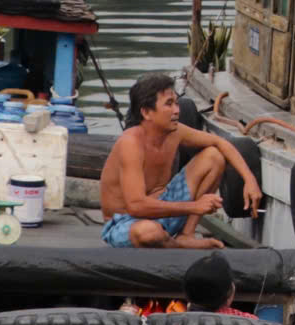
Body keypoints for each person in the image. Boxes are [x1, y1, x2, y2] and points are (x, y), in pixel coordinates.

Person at [101, 73, 262, 249]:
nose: (177, 110)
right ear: (146, 112)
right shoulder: (130, 143)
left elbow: (220, 143)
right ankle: (179, 247)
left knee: (214, 156)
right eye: (169, 104)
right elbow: (136, 206)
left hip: (165, 209)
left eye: (176, 103)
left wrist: (249, 180)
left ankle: (187, 235)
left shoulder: (175, 132)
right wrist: (194, 206)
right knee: (149, 232)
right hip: (126, 223)